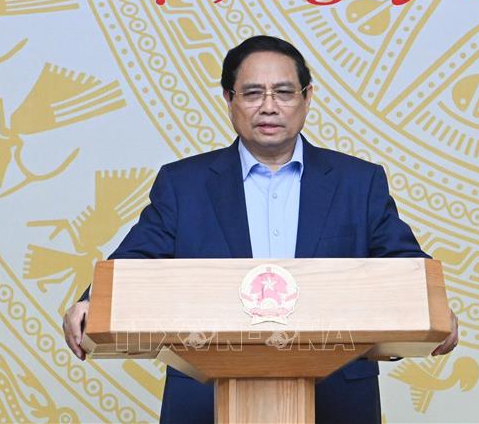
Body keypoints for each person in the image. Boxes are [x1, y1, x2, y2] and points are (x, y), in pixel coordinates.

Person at [63, 35, 458, 423]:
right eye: (253, 93)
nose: (269, 106)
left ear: (307, 97)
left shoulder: (358, 182)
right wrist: (91, 303)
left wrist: (434, 307)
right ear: (228, 99)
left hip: (337, 400)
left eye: (283, 92)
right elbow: (134, 261)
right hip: (206, 400)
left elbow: (404, 264)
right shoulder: (183, 184)